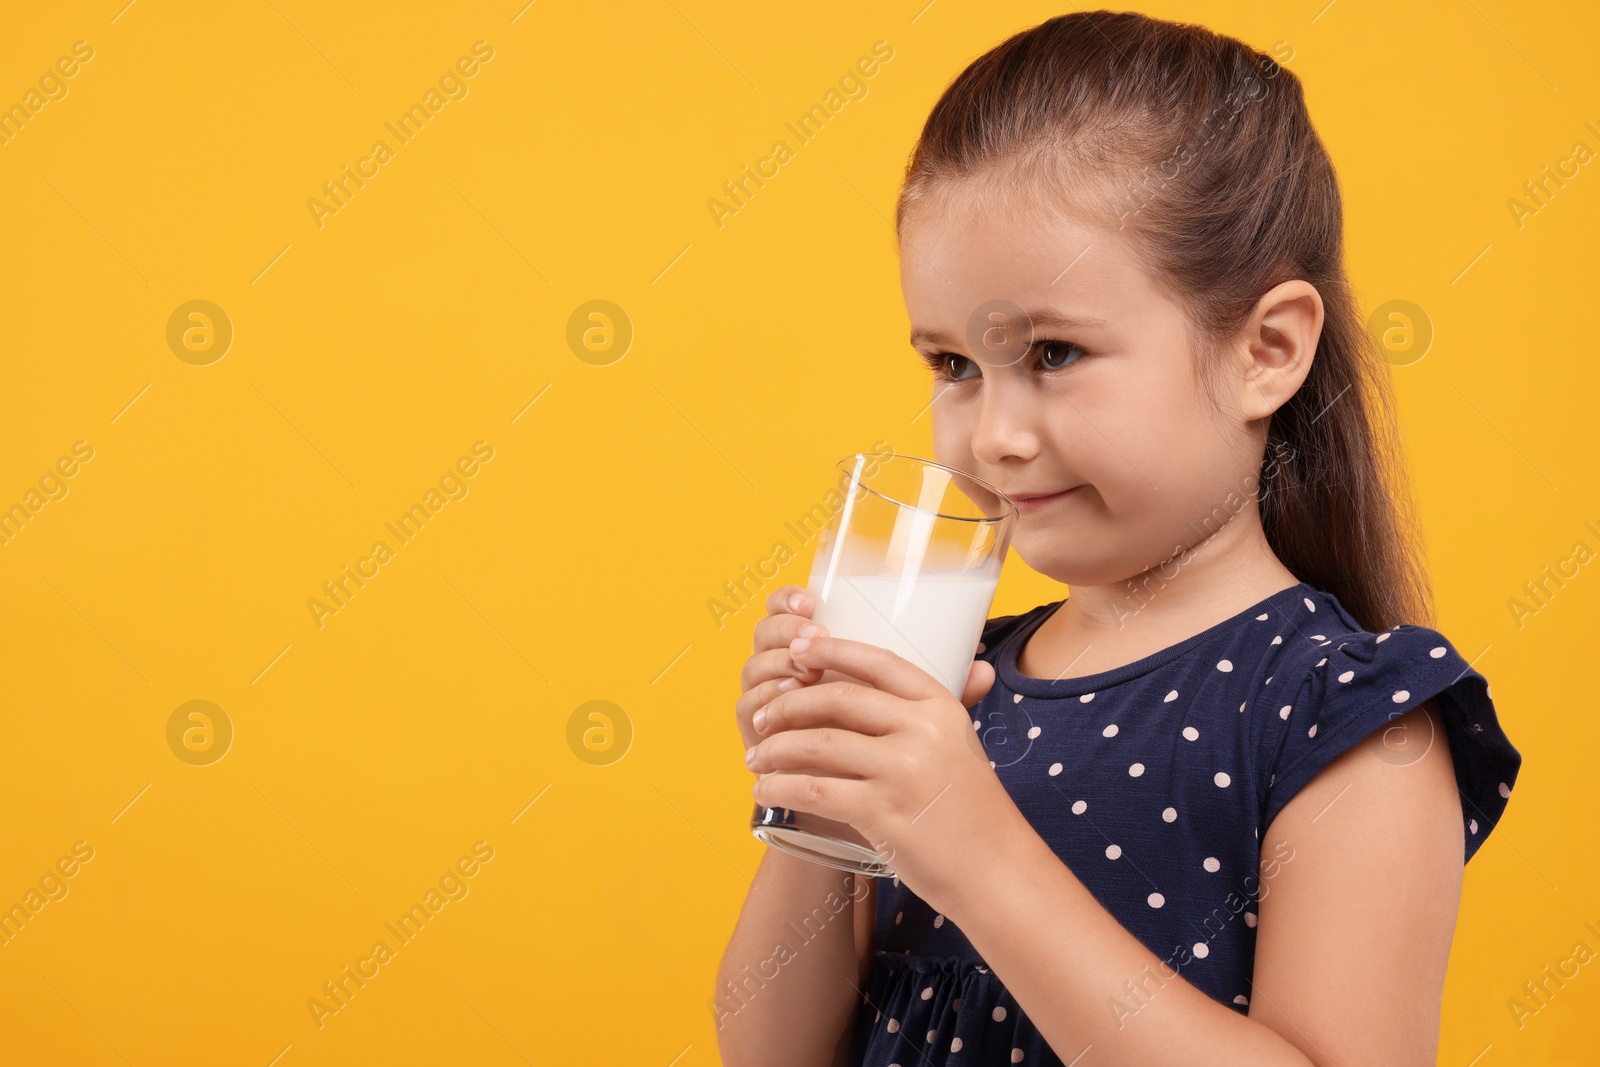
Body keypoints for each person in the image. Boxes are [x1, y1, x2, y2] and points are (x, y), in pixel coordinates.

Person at [714, 10, 1523, 1066]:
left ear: (1264, 351)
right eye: (952, 365)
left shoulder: (1342, 716)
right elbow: (769, 1052)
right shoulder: (967, 681)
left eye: (1052, 351)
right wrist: (819, 796)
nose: (994, 437)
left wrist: (980, 855)